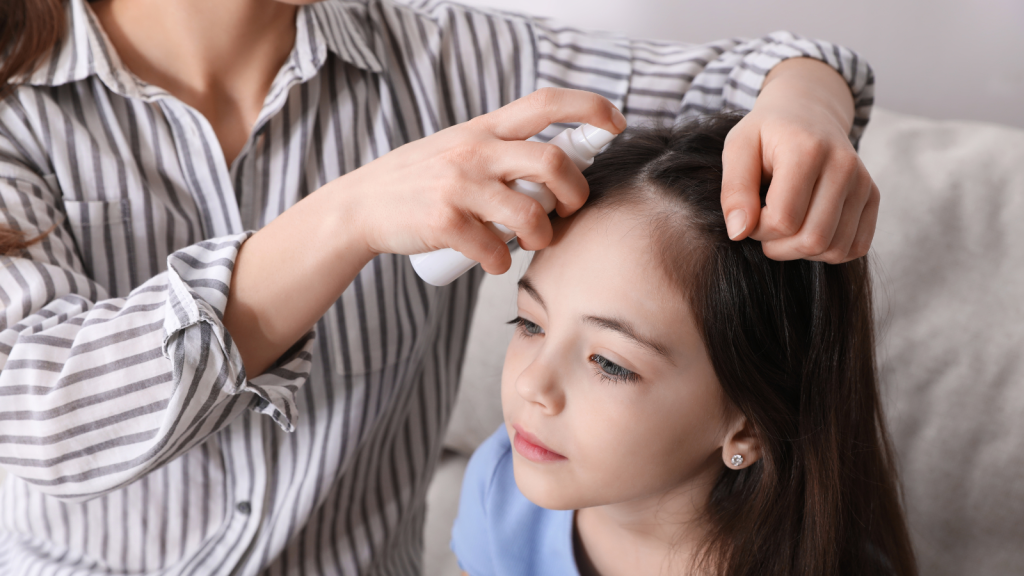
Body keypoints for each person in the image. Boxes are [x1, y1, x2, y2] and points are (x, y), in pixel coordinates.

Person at [0, 0, 878, 574]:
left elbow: (779, 69)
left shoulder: (454, 59)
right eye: (529, 327)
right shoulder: (19, 110)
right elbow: (45, 420)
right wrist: (345, 220)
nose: (533, 378)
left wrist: (806, 111)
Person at [450, 115, 915, 576]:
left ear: (749, 429)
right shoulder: (501, 489)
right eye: (530, 324)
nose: (533, 383)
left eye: (609, 364)